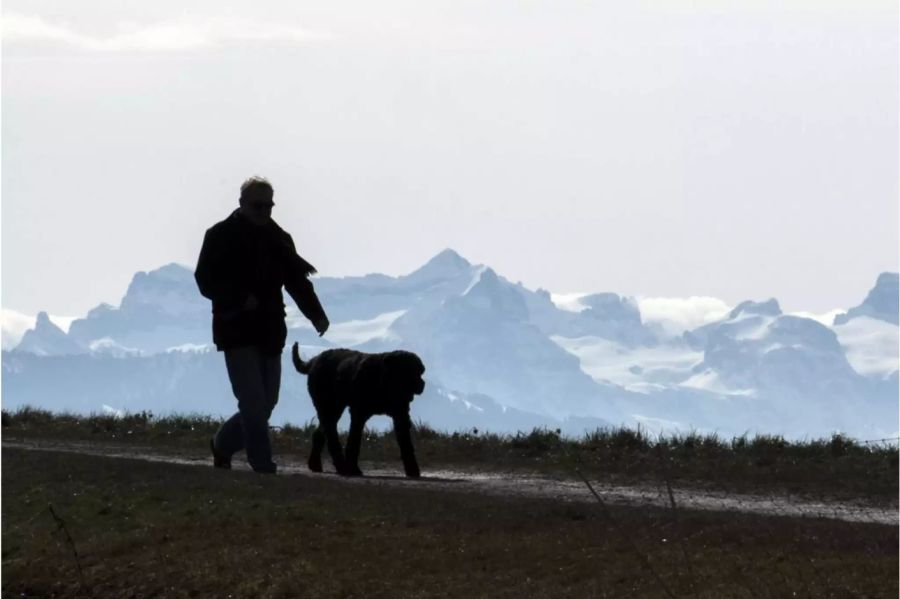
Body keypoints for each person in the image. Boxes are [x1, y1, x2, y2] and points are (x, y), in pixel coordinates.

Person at [195, 176, 329, 473]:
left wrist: (315, 314)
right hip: (236, 330)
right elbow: (204, 280)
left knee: (266, 403)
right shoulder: (219, 236)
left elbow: (297, 281)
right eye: (258, 205)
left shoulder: (279, 238)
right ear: (242, 203)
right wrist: (239, 299)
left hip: (269, 330)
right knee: (253, 401)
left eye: (269, 205)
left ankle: (222, 445)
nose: (264, 210)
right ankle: (262, 463)